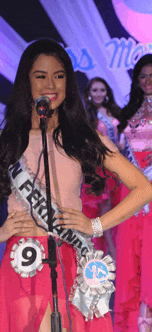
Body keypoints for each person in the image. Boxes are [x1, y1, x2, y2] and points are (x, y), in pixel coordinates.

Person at [0, 39, 152, 332]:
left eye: (59, 76)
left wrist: (96, 226)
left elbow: (144, 188)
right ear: (27, 82)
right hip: (24, 261)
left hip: (72, 257)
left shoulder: (83, 138)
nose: (51, 84)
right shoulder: (8, 141)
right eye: (41, 76)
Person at [114, 54, 152, 332]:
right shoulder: (128, 112)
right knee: (131, 261)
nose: (148, 81)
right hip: (131, 191)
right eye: (143, 76)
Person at [82, 77, 121, 259]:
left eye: (102, 90)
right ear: (89, 93)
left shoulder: (114, 112)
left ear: (107, 93)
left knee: (115, 210)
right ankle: (108, 252)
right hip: (98, 168)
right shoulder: (86, 115)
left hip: (117, 166)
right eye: (95, 90)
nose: (98, 94)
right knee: (101, 212)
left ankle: (113, 252)